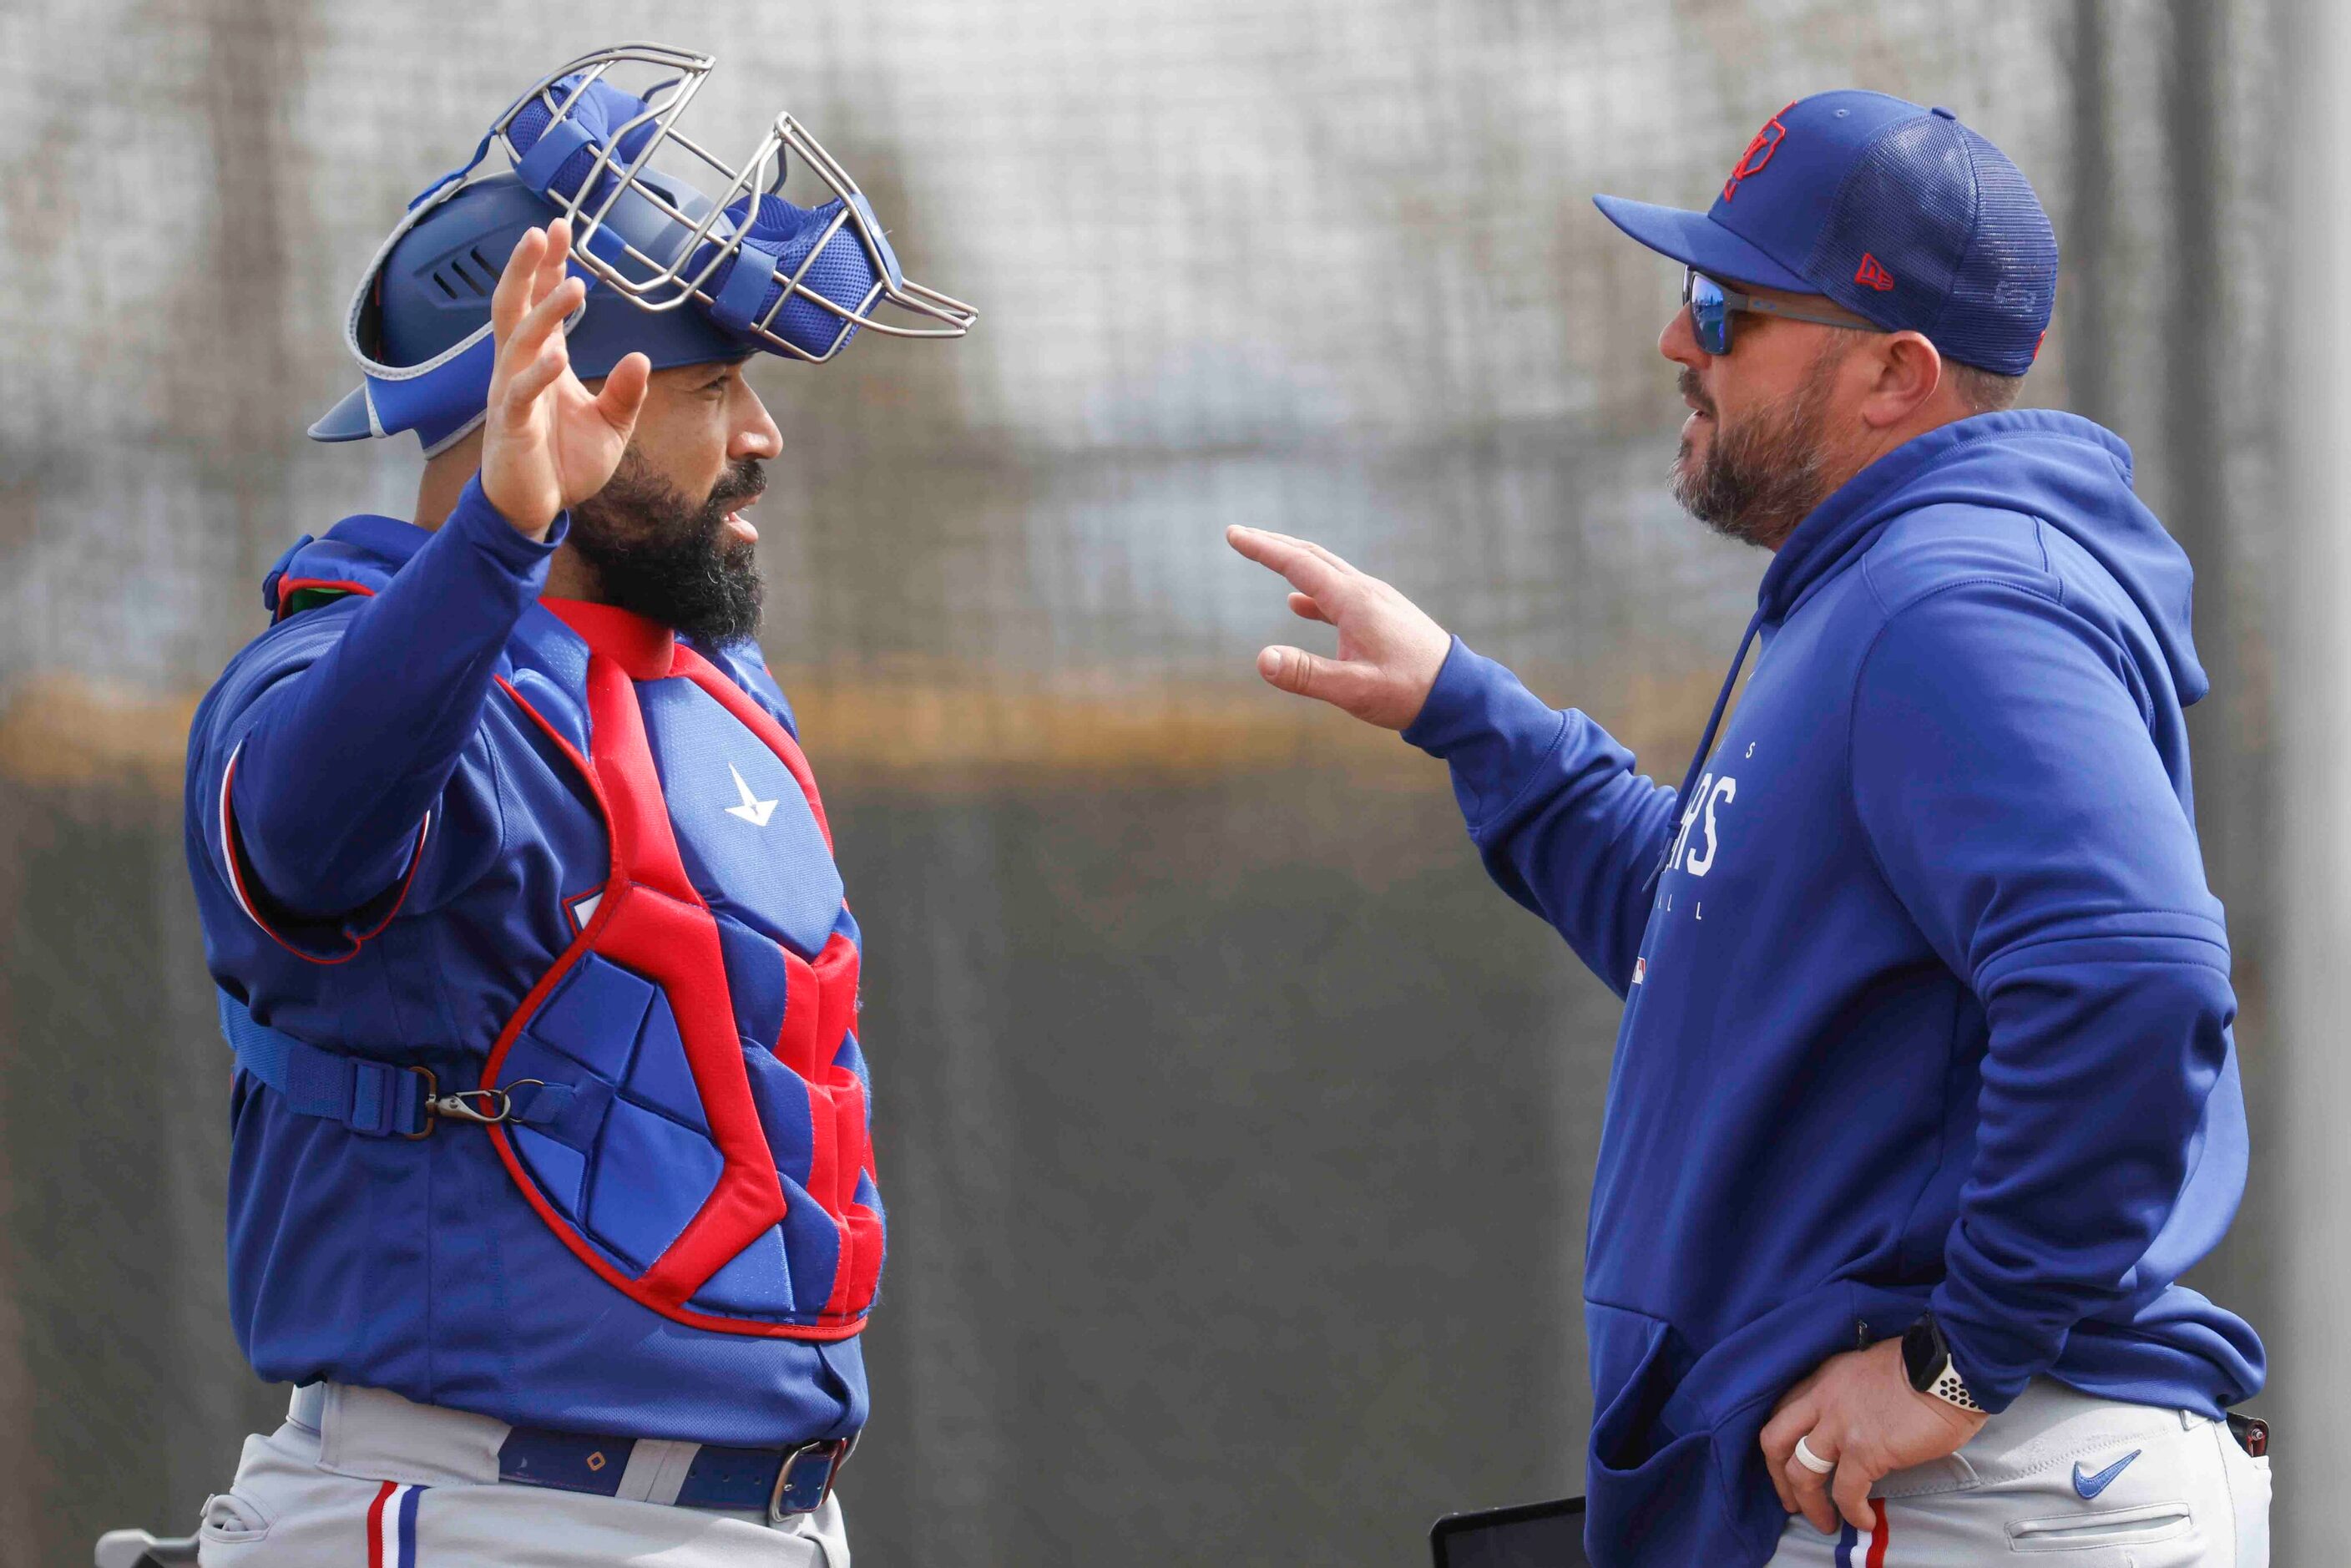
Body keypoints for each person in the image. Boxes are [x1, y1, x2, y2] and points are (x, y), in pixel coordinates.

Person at [1230, 89, 2270, 1565]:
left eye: (1724, 308)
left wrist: (1956, 1366)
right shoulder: (1876, 594)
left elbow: (2134, 979)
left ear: (1896, 374)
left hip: (1991, 1487)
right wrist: (1468, 708)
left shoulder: (1955, 601)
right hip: (1950, 1488)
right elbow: (1710, 928)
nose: (1678, 341)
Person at [181, 44, 970, 1567]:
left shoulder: (723, 688)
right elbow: (304, 842)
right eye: (716, 383)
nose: (763, 435)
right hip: (481, 1512)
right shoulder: (327, 668)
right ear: (545, 395)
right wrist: (498, 537)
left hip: (782, 1518)